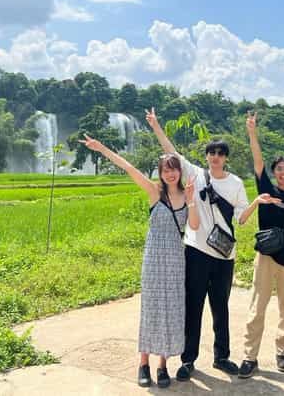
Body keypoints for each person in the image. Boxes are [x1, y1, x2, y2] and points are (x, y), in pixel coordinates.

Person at [145, 108, 279, 381]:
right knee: (193, 307)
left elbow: (241, 219)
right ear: (206, 157)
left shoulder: (236, 183)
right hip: (195, 252)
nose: (216, 157)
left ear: (225, 158)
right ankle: (188, 360)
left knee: (221, 307)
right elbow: (170, 152)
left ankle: (221, 357)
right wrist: (156, 125)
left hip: (224, 255)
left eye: (220, 153)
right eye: (212, 153)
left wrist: (255, 203)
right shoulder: (194, 174)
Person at [79, 134, 199, 389]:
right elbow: (128, 167)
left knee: (171, 310)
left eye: (174, 170)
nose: (170, 175)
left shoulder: (187, 196)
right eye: (165, 171)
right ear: (160, 173)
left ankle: (162, 365)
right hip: (154, 258)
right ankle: (143, 363)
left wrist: (191, 201)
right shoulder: (155, 192)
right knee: (151, 309)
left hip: (176, 260)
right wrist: (101, 148)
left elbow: (195, 226)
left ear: (179, 171)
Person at [238, 112, 284, 378]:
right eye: (278, 169)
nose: (282, 173)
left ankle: (282, 352)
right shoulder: (266, 187)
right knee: (258, 306)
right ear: (274, 172)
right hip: (266, 256)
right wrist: (252, 132)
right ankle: (250, 356)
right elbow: (258, 160)